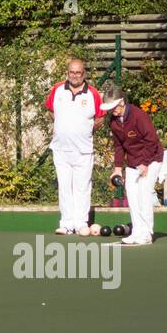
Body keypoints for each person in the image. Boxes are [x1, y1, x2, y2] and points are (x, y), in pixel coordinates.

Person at [46, 57, 104, 235]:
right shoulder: (57, 90)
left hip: (83, 150)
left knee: (81, 187)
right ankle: (66, 223)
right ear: (68, 72)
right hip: (60, 149)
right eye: (72, 72)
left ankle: (80, 223)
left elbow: (101, 117)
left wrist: (85, 129)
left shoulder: (92, 93)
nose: (75, 75)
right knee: (64, 187)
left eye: (78, 72)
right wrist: (64, 126)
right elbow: (50, 110)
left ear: (84, 74)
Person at [104, 86, 164, 247]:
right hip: (132, 161)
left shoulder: (139, 116)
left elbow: (151, 141)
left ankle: (147, 233)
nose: (112, 111)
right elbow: (118, 146)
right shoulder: (114, 121)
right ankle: (137, 231)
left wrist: (145, 163)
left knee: (144, 193)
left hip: (152, 159)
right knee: (131, 195)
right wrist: (117, 168)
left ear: (122, 102)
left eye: (114, 107)